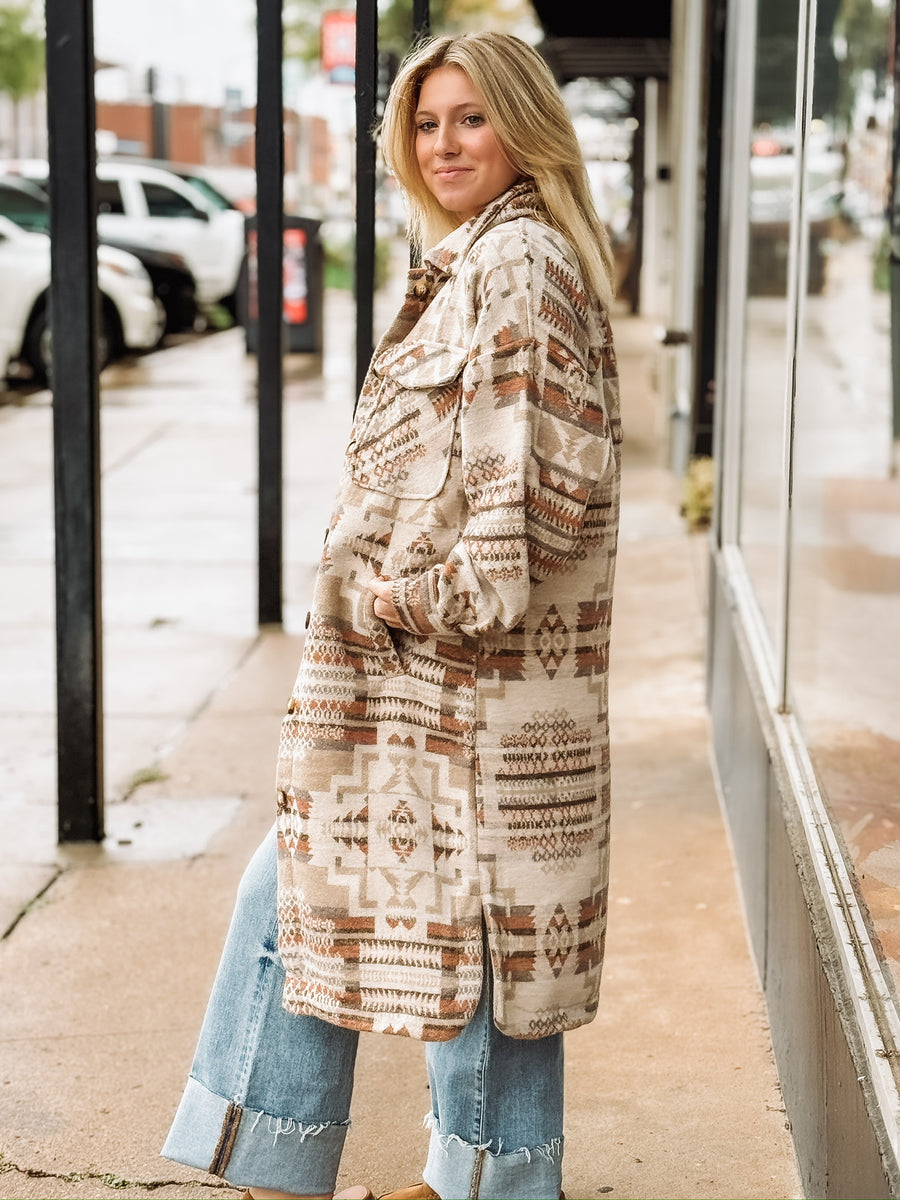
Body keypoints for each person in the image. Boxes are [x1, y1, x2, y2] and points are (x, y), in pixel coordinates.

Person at [162, 29, 622, 1200]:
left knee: (369, 914)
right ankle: (471, 1177)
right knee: (462, 944)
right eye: (426, 123)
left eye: (471, 118)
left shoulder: (516, 267)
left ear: (522, 125)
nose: (445, 143)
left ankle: (331, 1166)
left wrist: (389, 598)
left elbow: (521, 524)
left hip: (458, 696)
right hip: (459, 702)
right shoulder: (487, 259)